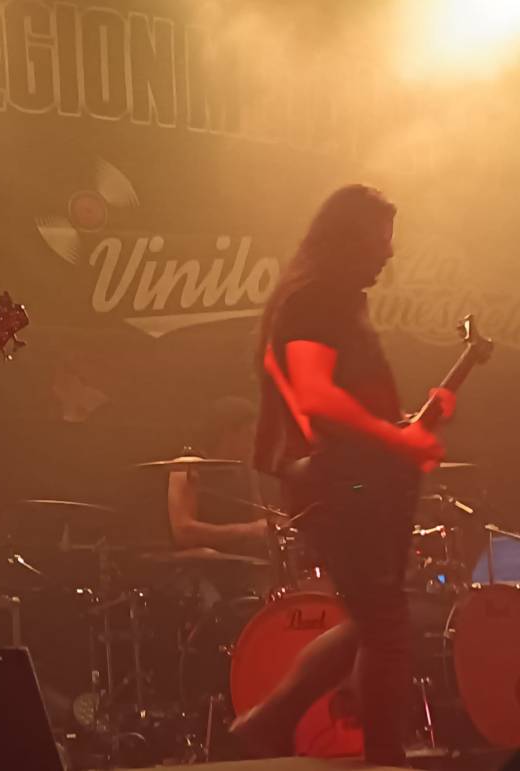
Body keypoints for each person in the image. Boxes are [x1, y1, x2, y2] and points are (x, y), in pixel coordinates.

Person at [232, 184, 453, 765]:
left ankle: (270, 720)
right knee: (386, 626)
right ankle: (383, 758)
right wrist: (397, 437)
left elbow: (343, 404)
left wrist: (401, 424)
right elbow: (315, 397)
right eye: (380, 238)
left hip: (346, 480)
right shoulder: (315, 300)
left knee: (373, 620)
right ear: (348, 239)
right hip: (334, 484)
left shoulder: (335, 301)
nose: (389, 252)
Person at [167, 396, 270, 555]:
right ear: (229, 433)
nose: (254, 443)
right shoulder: (188, 467)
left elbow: (259, 525)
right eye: (249, 435)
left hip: (245, 560)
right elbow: (183, 532)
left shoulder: (248, 472)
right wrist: (248, 530)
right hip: (199, 564)